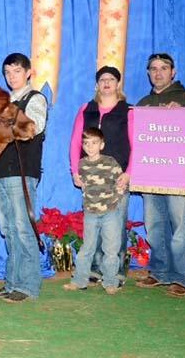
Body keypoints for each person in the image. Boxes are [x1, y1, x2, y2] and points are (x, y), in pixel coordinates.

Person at [0, 53, 48, 303]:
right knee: (9, 229)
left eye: (16, 71)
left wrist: (3, 115)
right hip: (1, 174)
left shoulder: (35, 99)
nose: (11, 76)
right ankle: (13, 282)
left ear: (28, 73)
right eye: (7, 72)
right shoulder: (3, 106)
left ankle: (28, 286)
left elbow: (35, 126)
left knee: (23, 228)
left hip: (22, 173)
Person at [134, 53, 185, 297]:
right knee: (154, 225)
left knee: (180, 228)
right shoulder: (143, 103)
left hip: (178, 174)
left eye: (163, 68)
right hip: (150, 171)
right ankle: (160, 271)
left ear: (173, 72)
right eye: (153, 68)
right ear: (148, 73)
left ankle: (181, 277)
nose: (158, 73)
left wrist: (181, 114)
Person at [69, 65, 132, 286]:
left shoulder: (128, 110)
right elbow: (76, 140)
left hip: (117, 178)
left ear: (118, 84)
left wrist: (129, 173)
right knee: (93, 225)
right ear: (97, 84)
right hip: (91, 176)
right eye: (102, 79)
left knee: (116, 226)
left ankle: (117, 272)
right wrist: (75, 171)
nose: (106, 83)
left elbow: (136, 144)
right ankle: (94, 270)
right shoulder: (86, 109)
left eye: (111, 79)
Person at [63, 128, 125, 294]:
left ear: (102, 145)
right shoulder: (81, 165)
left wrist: (116, 198)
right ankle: (79, 280)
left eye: (94, 143)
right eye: (86, 143)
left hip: (110, 212)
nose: (90, 147)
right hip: (90, 213)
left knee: (111, 249)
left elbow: (121, 182)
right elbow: (79, 183)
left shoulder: (110, 162)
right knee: (87, 248)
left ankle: (111, 282)